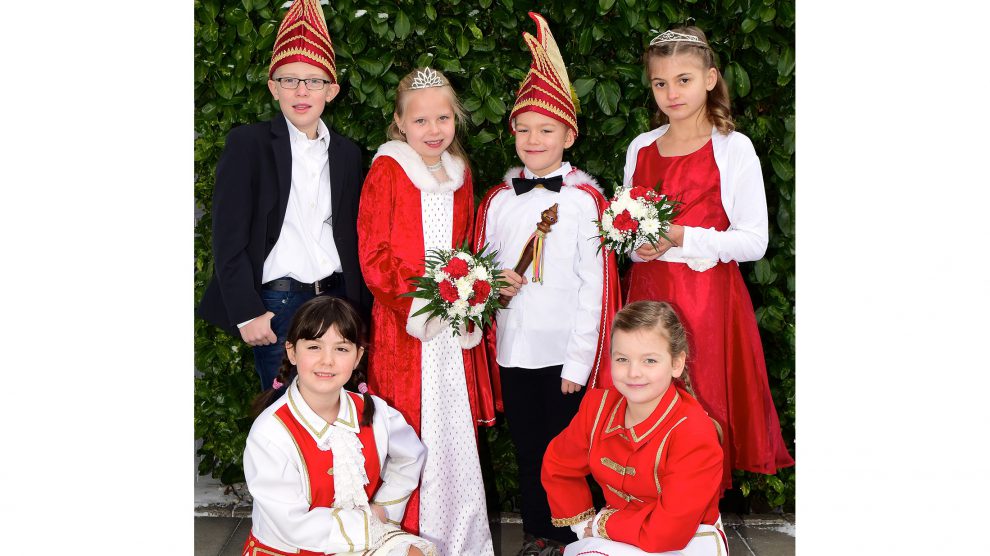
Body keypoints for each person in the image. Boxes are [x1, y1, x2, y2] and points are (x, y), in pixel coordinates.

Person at [619, 27, 795, 490]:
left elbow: (753, 241)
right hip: (648, 298)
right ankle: (647, 507)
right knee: (646, 401)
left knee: (702, 405)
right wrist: (635, 244)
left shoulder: (732, 148)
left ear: (711, 78)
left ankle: (699, 519)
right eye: (660, 83)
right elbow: (625, 227)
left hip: (706, 305)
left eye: (684, 80)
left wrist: (681, 238)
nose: (671, 93)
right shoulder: (639, 147)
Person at [472, 12, 620, 555]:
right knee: (529, 446)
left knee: (569, 450)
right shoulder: (496, 200)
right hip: (514, 351)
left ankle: (577, 536)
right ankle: (539, 533)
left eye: (547, 130)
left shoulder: (584, 203)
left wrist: (581, 363)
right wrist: (490, 286)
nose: (534, 139)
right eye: (524, 129)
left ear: (570, 135)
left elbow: (594, 290)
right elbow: (480, 271)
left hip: (563, 355)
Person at [197, 0, 372, 391]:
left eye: (313, 81)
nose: (301, 90)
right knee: (284, 419)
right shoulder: (249, 144)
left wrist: (360, 311)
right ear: (273, 87)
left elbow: (351, 233)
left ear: (332, 90)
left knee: (339, 411)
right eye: (290, 80)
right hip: (277, 306)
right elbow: (227, 239)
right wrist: (247, 312)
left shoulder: (346, 153)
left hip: (338, 297)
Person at [357, 67, 495, 556]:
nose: (434, 130)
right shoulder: (388, 170)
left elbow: (465, 247)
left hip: (451, 330)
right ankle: (407, 539)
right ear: (400, 122)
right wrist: (420, 305)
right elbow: (373, 256)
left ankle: (461, 537)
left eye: (443, 118)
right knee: (409, 431)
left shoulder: (461, 174)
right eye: (421, 121)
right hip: (405, 328)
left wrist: (466, 294)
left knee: (453, 432)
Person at [242, 296, 435, 556]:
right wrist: (367, 525)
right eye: (314, 347)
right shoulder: (270, 433)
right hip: (293, 549)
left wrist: (385, 511)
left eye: (342, 349)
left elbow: (411, 457)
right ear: (291, 351)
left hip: (361, 534)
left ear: (358, 357)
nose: (327, 360)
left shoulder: (375, 412)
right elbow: (291, 525)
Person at [541, 301, 728, 556]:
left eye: (649, 360)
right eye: (622, 359)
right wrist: (582, 525)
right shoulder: (598, 408)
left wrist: (601, 525)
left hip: (686, 540)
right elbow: (558, 464)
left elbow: (669, 531)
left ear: (676, 363)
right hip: (615, 535)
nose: (633, 372)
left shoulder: (694, 432)